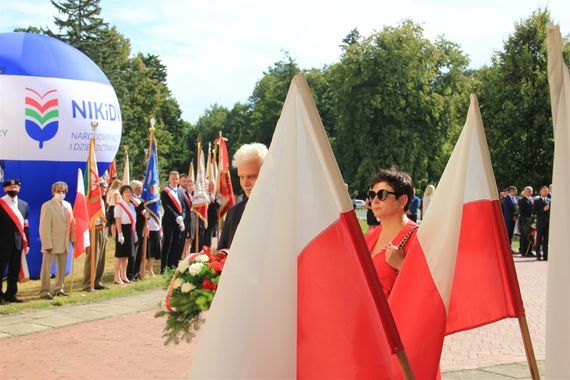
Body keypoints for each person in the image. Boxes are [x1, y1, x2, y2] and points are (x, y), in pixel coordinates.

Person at [365, 168, 418, 298]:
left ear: (402, 201)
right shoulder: (370, 236)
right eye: (372, 195)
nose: (375, 200)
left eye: (382, 194)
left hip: (395, 317)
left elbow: (428, 289)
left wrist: (402, 265)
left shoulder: (419, 238)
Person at [218, 143, 268, 250]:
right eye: (241, 177)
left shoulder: (283, 210)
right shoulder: (233, 212)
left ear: (267, 173)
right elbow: (222, 253)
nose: (245, 183)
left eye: (252, 176)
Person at [39, 181, 76, 299]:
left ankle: (58, 288)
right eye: (58, 191)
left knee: (62, 268)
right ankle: (44, 291)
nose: (61, 193)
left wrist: (73, 238)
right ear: (53, 192)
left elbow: (72, 223)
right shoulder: (47, 205)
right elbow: (44, 227)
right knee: (46, 269)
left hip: (65, 242)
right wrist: (47, 244)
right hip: (51, 243)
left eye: (63, 191)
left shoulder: (68, 205)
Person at [0, 179, 29, 304]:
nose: (13, 189)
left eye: (15, 187)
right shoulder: (1, 203)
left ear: (19, 189)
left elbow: (26, 225)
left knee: (15, 269)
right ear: (5, 189)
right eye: (10, 187)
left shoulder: (24, 205)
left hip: (18, 243)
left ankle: (10, 294)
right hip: (1, 243)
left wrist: (27, 243)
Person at [83, 181, 108, 291]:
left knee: (101, 257)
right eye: (103, 188)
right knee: (92, 257)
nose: (105, 190)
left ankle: (97, 280)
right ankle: (88, 283)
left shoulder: (102, 200)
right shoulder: (90, 200)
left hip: (102, 229)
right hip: (93, 229)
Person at [161, 171, 186, 271]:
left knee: (176, 244)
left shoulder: (180, 192)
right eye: (173, 179)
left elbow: (184, 208)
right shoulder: (165, 192)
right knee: (167, 244)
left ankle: (172, 265)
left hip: (179, 223)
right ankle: (164, 267)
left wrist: (182, 218)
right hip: (169, 222)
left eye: (177, 179)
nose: (175, 180)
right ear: (169, 180)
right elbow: (166, 206)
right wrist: (176, 217)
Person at [114, 185, 137, 284]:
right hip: (122, 229)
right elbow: (118, 220)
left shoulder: (132, 205)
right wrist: (120, 234)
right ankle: (116, 276)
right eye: (126, 192)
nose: (128, 194)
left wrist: (134, 232)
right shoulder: (119, 205)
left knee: (126, 255)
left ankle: (124, 275)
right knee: (119, 254)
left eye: (129, 192)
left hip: (130, 230)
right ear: (122, 194)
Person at [127, 180, 146, 281]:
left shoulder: (139, 199)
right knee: (134, 251)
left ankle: (137, 272)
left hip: (142, 227)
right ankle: (130, 273)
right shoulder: (131, 199)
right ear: (135, 189)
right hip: (135, 228)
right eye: (140, 187)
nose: (141, 189)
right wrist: (144, 203)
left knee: (140, 252)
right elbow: (137, 211)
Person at [534, 186, 551, 261]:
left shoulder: (550, 200)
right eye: (544, 191)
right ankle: (538, 255)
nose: (545, 192)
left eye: (546, 191)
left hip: (548, 223)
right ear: (540, 192)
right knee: (539, 239)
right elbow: (534, 211)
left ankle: (545, 256)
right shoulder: (537, 200)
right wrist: (543, 210)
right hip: (540, 223)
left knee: (546, 240)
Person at [518, 186, 535, 257]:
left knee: (530, 236)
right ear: (524, 192)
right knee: (525, 236)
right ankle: (524, 251)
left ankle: (529, 251)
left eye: (530, 191)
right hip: (525, 221)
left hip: (531, 221)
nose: (529, 192)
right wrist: (527, 220)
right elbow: (521, 212)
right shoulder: (522, 200)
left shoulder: (532, 199)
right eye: (528, 191)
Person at [203, 179, 220, 248]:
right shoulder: (205, 196)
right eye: (210, 185)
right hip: (207, 221)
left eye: (213, 186)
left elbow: (217, 206)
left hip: (214, 221)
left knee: (213, 239)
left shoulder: (216, 196)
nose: (211, 187)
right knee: (207, 239)